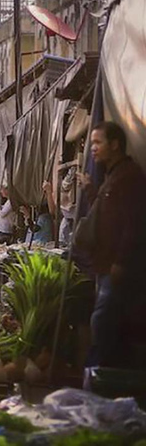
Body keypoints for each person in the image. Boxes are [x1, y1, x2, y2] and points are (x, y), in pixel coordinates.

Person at [80, 122, 146, 368]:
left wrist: (121, 262)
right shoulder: (113, 177)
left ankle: (99, 377)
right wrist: (89, 190)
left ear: (115, 144)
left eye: (98, 143)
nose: (93, 148)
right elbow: (104, 213)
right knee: (106, 322)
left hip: (116, 269)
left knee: (102, 322)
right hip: (105, 265)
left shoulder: (129, 177)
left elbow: (134, 225)